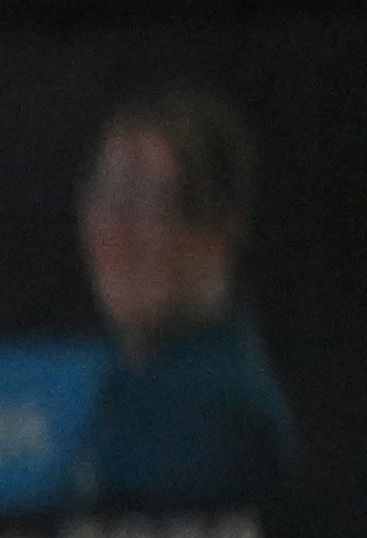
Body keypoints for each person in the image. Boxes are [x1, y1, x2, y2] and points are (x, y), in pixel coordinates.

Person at [68, 86, 294, 511]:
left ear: (223, 228)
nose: (117, 233)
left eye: (152, 203)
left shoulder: (214, 414)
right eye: (106, 195)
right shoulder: (129, 382)